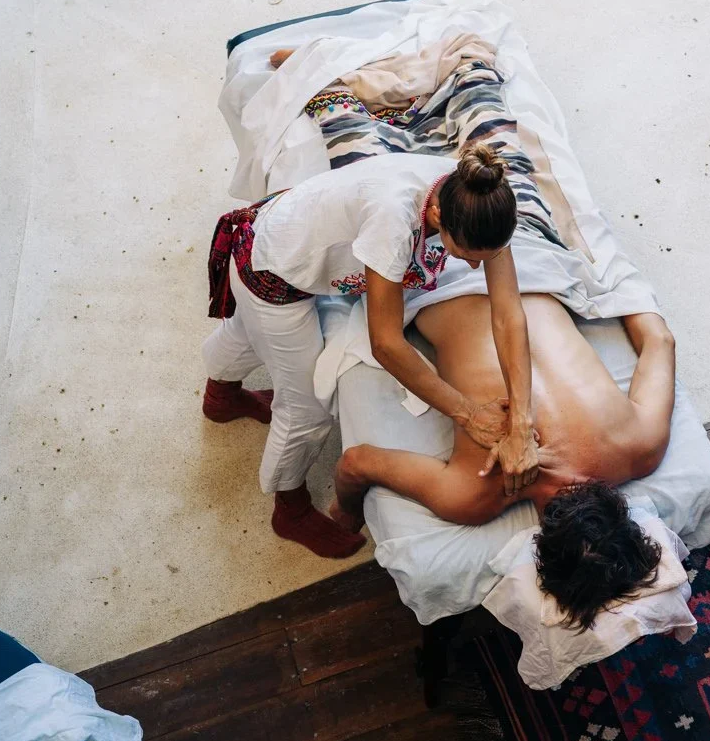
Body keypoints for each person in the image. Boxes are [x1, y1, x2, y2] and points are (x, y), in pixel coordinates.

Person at [202, 134, 540, 559]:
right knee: (307, 408)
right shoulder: (392, 219)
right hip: (270, 271)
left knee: (251, 333)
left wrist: (523, 420)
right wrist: (468, 414)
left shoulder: (476, 196)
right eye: (466, 255)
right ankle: (289, 508)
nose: (475, 266)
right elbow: (386, 344)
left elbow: (508, 314)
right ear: (437, 214)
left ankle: (221, 398)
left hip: (288, 232)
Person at [329, 289, 677, 619]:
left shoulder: (642, 447)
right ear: (539, 548)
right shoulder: (474, 494)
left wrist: (596, 267)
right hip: (438, 279)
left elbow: (660, 340)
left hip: (531, 259)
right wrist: (345, 511)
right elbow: (355, 462)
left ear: (624, 515)